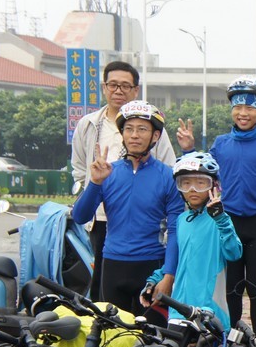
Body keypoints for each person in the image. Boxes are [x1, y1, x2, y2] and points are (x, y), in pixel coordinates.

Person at [176, 76, 256, 341]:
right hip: (227, 225)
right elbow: (202, 174)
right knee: (230, 290)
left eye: (250, 108)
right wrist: (189, 149)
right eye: (238, 107)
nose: (243, 113)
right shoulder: (221, 143)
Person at [70, 60, 176, 299]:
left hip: (150, 249)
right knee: (108, 317)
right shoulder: (90, 130)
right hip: (108, 242)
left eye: (142, 130)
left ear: (155, 135)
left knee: (151, 331)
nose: (135, 135)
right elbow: (79, 209)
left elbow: (175, 227)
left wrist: (169, 273)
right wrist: (95, 183)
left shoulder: (165, 172)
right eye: (129, 129)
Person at [142, 152, 242, 330]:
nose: (193, 189)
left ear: (214, 186)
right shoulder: (181, 220)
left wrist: (221, 219)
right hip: (178, 309)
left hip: (209, 310)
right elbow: (177, 262)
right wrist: (153, 280)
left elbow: (234, 253)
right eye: (185, 183)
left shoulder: (220, 219)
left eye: (201, 183)